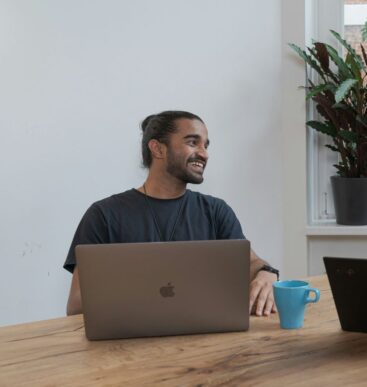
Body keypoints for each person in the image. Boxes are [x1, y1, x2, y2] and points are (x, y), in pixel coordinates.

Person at [64, 111, 279, 317]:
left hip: (203, 343)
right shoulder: (104, 215)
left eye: (206, 145)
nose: (204, 153)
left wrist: (267, 273)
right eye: (192, 142)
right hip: (127, 348)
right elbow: (76, 304)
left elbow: (250, 263)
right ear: (157, 149)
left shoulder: (215, 211)